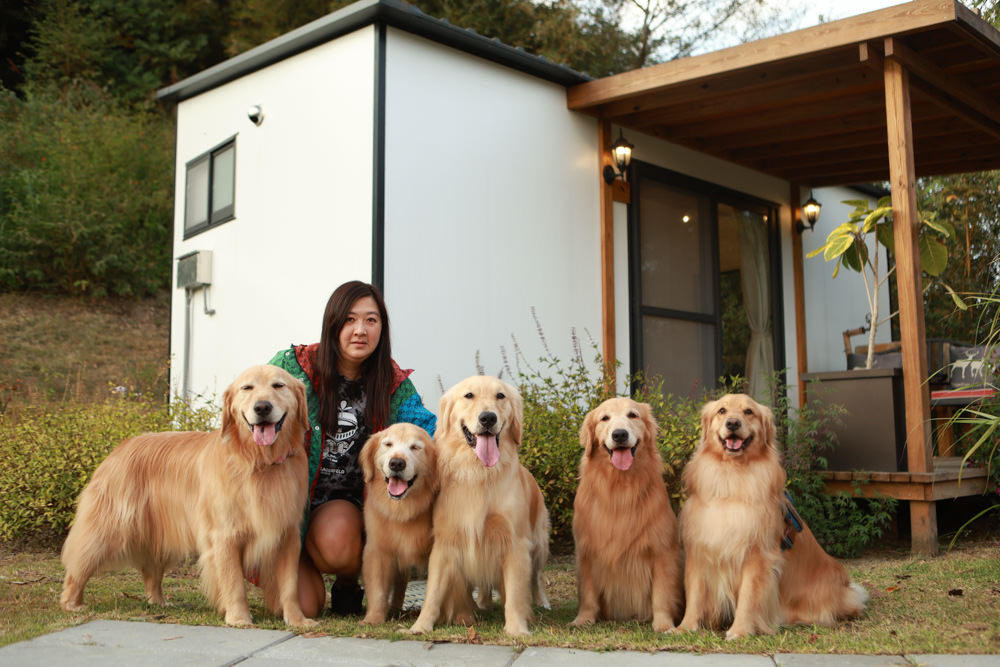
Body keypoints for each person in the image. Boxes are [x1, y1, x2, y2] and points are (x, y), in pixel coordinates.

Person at [269, 280, 437, 618]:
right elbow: (252, 403)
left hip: (347, 511)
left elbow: (429, 433)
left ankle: (347, 582)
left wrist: (480, 441)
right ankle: (296, 564)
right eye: (349, 319)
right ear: (333, 324)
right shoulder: (293, 368)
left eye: (371, 320)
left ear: (382, 328)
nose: (360, 330)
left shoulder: (390, 382)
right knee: (303, 607)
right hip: (286, 510)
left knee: (339, 543)